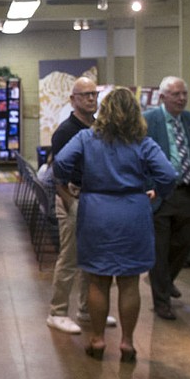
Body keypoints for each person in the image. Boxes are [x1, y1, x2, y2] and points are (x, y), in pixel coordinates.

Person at [54, 88, 176, 360]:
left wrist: (66, 184)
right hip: (132, 211)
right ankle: (127, 343)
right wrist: (159, 192)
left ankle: (97, 340)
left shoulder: (86, 137)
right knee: (129, 282)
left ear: (104, 112)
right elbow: (168, 174)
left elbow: (60, 162)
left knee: (98, 281)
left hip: (96, 210)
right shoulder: (143, 142)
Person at [144, 77, 190, 320]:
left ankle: (164, 279)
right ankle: (161, 302)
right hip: (160, 193)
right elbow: (140, 157)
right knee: (159, 249)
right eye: (176, 94)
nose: (182, 98)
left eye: (184, 93)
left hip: (187, 191)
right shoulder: (149, 120)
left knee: (185, 242)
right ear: (162, 97)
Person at [46, 77, 114, 334]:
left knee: (92, 256)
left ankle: (87, 308)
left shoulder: (99, 127)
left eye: (94, 94)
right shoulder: (65, 131)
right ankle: (58, 311)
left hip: (96, 197)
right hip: (72, 196)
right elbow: (58, 173)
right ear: (72, 99)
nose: (90, 99)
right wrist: (69, 202)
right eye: (84, 95)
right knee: (70, 256)